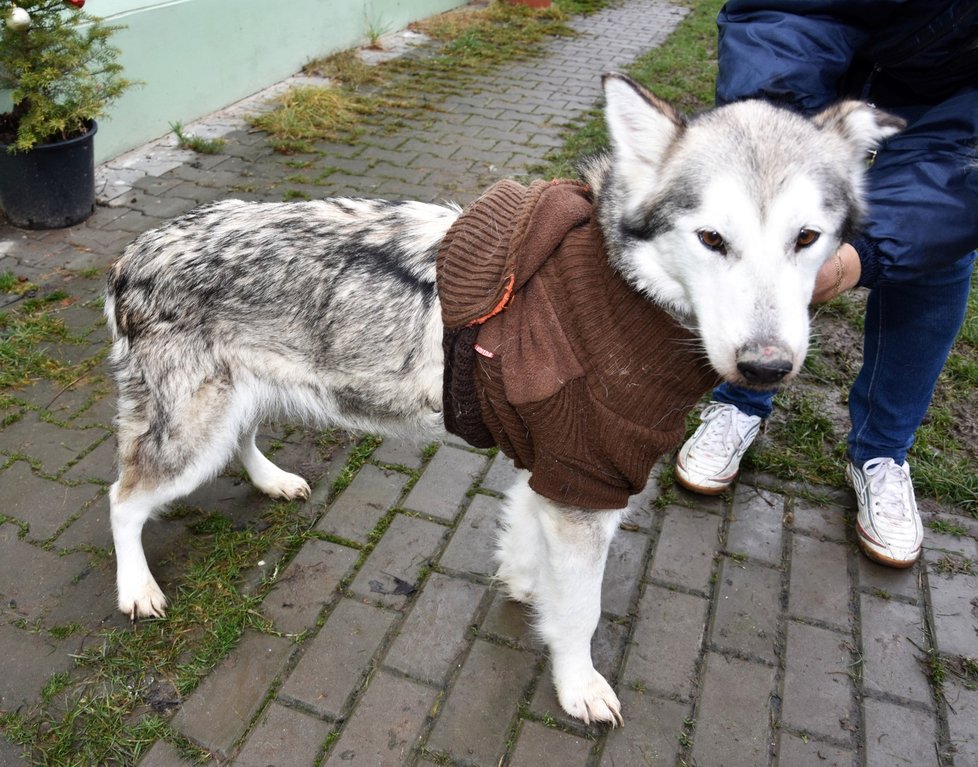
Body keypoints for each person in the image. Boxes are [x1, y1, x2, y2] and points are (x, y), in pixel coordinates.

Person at [675, 0, 978, 568]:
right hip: (811, 68)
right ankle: (739, 403)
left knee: (936, 255)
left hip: (957, 103)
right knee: (762, 222)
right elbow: (778, 11)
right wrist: (773, 129)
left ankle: (882, 455)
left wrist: (859, 255)